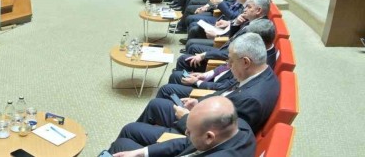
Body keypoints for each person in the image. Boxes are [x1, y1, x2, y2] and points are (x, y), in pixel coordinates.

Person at [108, 33, 278, 155]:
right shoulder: (256, 77)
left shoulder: (252, 99)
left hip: (200, 131)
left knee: (123, 141)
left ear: (246, 62)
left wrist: (187, 119)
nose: (228, 65)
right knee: (142, 120)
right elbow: (196, 138)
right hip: (202, 122)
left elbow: (198, 138)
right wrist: (199, 105)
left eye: (231, 62)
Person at [109, 97, 256, 157]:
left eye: (189, 131)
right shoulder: (239, 126)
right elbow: (186, 143)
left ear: (209, 136)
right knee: (126, 142)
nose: (185, 133)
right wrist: (141, 152)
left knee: (119, 146)